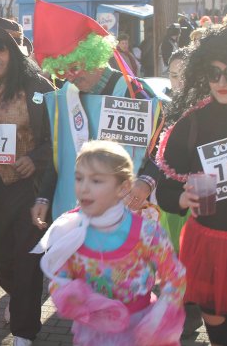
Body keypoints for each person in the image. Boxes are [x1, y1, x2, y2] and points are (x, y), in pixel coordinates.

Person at [32, 140, 186, 346]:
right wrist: (71, 294)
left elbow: (174, 276)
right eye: (79, 178)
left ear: (123, 188)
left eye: (96, 181)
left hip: (139, 332)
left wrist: (161, 316)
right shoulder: (71, 230)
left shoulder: (146, 233)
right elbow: (61, 276)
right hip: (93, 333)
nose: (84, 188)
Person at [31, 0, 165, 223]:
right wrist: (44, 197)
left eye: (74, 67)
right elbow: (60, 156)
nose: (70, 76)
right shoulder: (66, 95)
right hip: (72, 218)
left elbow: (162, 146)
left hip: (121, 215)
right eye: (61, 71)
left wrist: (146, 181)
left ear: (93, 55)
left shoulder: (133, 92)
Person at [0, 17, 55, 346]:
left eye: (1, 51)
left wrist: (34, 160)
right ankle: (19, 300)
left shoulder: (38, 88)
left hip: (24, 191)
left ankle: (24, 331)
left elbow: (58, 139)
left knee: (26, 263)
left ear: (13, 53)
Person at [156, 25, 227, 346]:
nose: (221, 83)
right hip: (209, 246)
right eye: (214, 73)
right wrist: (183, 198)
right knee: (219, 329)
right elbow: (166, 191)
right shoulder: (192, 124)